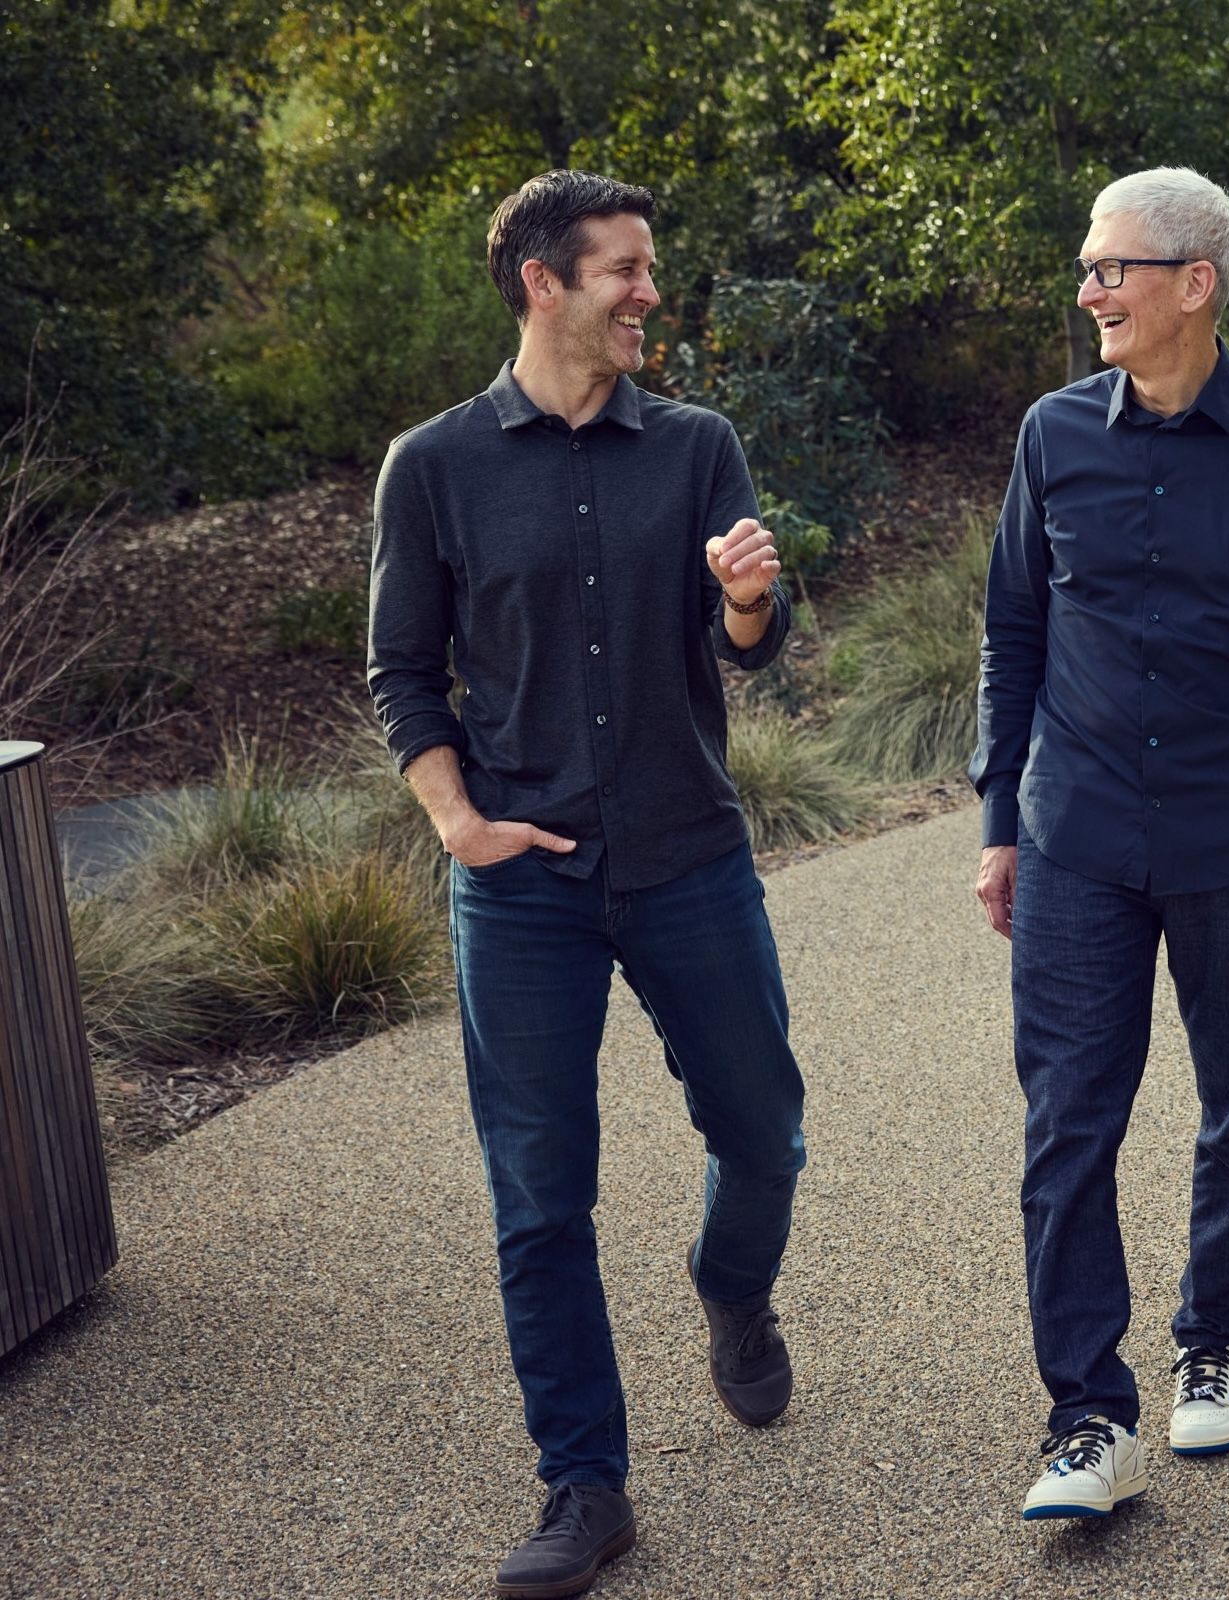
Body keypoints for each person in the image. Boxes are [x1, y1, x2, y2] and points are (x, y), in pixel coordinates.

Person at [367, 169, 807, 1599]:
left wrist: (746, 595)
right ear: (541, 282)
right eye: (622, 269)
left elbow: (749, 640)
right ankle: (585, 1486)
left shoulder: (696, 447)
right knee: (539, 1198)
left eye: (648, 268)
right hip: (523, 886)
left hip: (687, 857)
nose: (648, 295)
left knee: (764, 1135)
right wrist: (457, 822)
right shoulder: (430, 466)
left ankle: (732, 1294)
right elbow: (400, 673)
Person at [971, 166, 1229, 1521]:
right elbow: (1013, 636)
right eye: (1087, 270)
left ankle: (1211, 1345)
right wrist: (997, 828)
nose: (1089, 291)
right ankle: (1083, 1421)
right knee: (1066, 1126)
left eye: (1112, 270)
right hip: (1077, 837)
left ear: (1192, 284)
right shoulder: (1051, 435)